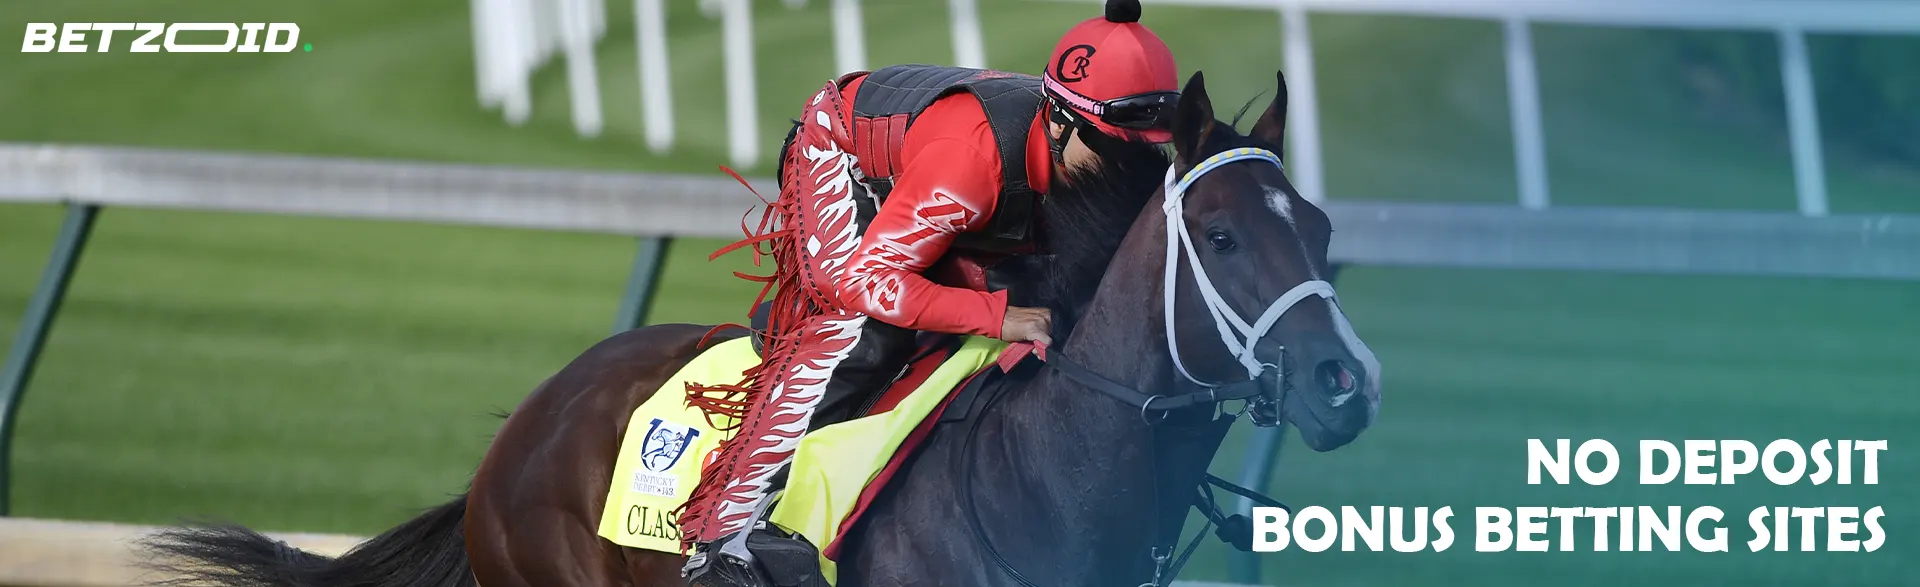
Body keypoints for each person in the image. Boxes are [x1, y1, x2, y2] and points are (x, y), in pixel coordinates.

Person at [677, 0, 1180, 583]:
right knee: (860, 327)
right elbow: (871, 280)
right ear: (1061, 123)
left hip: (945, 172)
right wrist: (997, 317)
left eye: (1142, 150)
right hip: (843, 154)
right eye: (1114, 150)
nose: (1124, 168)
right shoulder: (972, 166)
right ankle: (725, 537)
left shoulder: (1068, 142)